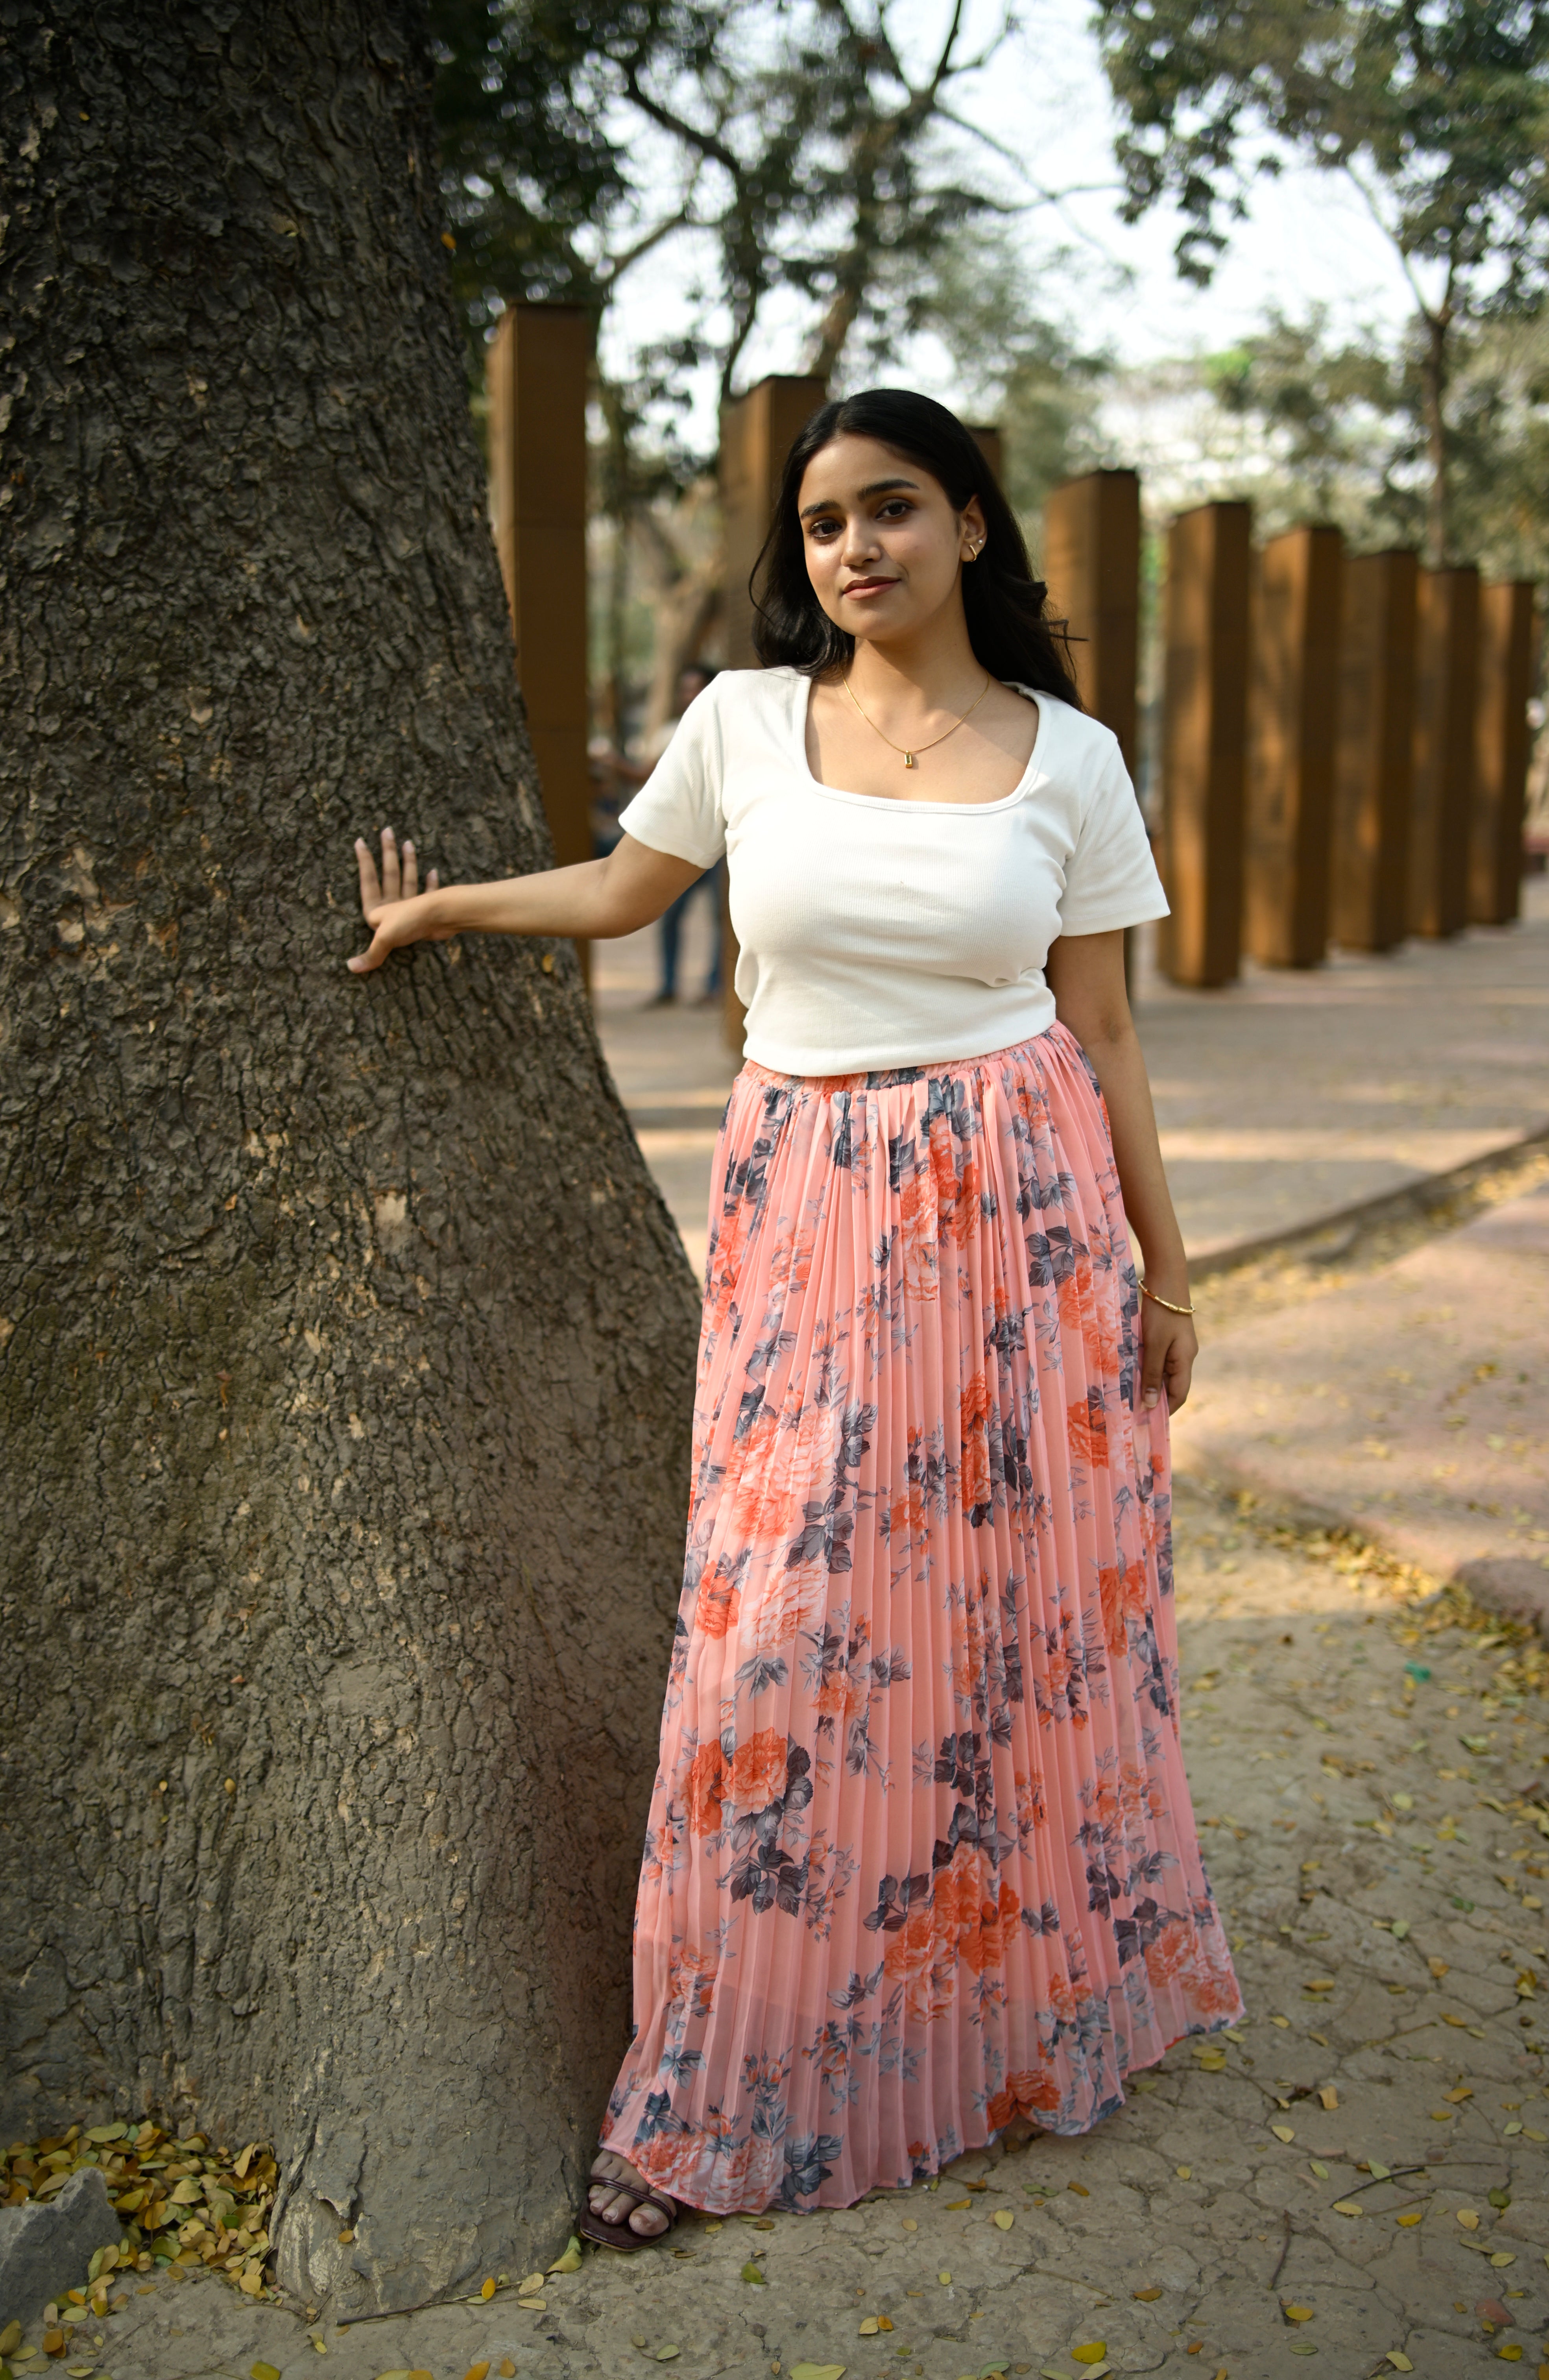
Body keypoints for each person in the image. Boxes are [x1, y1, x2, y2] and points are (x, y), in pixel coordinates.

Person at [347, 388, 1242, 2248]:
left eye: (897, 509)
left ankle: (998, 2025)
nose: (859, 547)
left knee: (1018, 1635)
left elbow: (1112, 1028)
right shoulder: (749, 723)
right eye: (827, 522)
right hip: (812, 1220)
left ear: (973, 528)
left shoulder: (1071, 759)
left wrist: (1167, 1270)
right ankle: (713, 2088)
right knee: (780, 1636)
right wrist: (449, 914)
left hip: (1026, 1221)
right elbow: (623, 888)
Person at [634, 663, 723, 1005]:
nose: (691, 696)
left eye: (697, 687)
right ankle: (668, 985)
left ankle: (715, 987)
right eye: (686, 689)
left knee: (722, 919)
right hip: (679, 843)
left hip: (724, 846)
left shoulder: (729, 726)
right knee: (669, 914)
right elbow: (649, 777)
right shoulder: (671, 731)